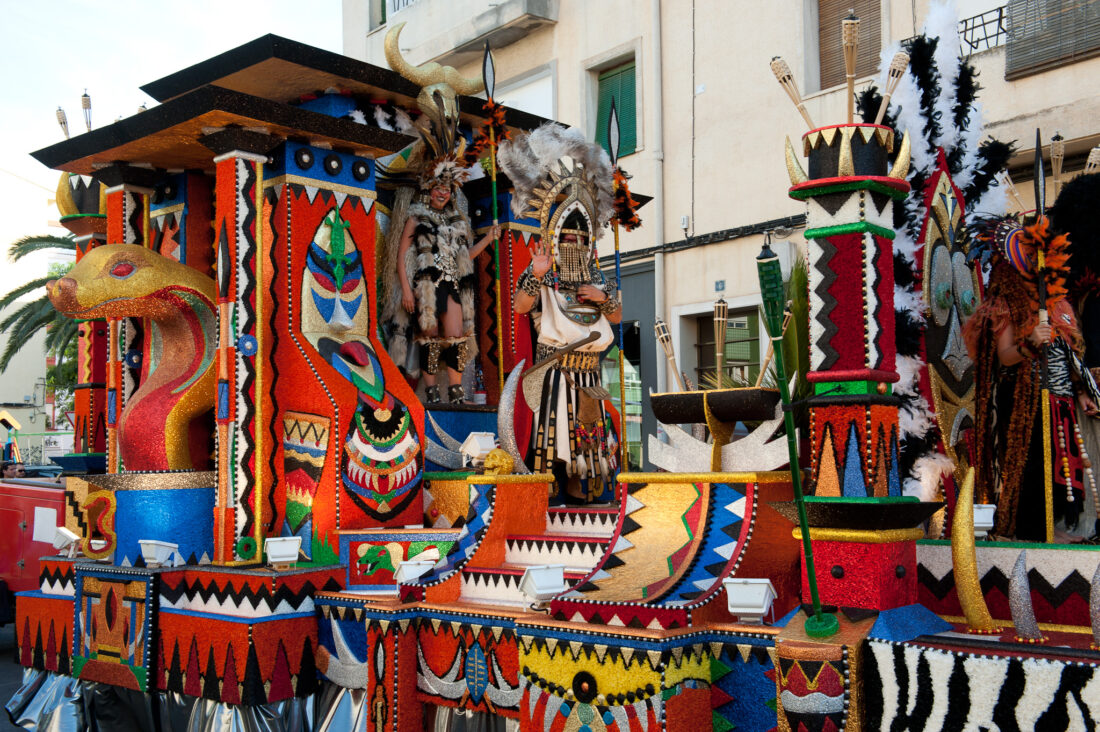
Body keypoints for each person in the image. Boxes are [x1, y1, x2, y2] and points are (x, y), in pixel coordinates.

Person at [965, 214, 1100, 541]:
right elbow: (1005, 356)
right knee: (1034, 471)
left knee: (1065, 472)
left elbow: (1069, 356)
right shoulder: (1006, 304)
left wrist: (1082, 391)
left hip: (1062, 404)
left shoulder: (1059, 305)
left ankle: (1061, 530)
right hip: (1026, 403)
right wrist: (1030, 344)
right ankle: (1035, 534)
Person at [513, 213, 621, 504]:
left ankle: (577, 488)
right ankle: (545, 489)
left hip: (590, 371)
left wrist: (602, 298)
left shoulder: (597, 277)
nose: (574, 245)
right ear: (557, 239)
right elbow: (520, 306)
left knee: (587, 434)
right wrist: (536, 275)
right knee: (553, 431)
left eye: (580, 240)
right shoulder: (544, 271)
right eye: (568, 239)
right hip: (555, 368)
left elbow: (616, 316)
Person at [395, 169, 499, 405]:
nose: (442, 193)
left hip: (451, 284)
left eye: (446, 189)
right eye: (438, 188)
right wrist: (406, 290)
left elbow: (465, 256)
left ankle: (456, 392)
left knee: (457, 337)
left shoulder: (457, 222)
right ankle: (431, 393)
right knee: (429, 338)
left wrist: (488, 239)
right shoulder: (416, 218)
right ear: (429, 190)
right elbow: (401, 255)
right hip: (426, 285)